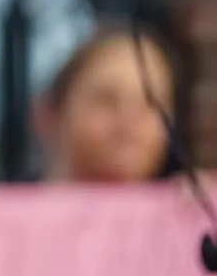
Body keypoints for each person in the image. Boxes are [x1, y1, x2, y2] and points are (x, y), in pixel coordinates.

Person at [36, 24, 176, 183]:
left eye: (152, 103)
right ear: (48, 114)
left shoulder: (192, 203)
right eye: (107, 101)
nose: (130, 121)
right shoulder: (6, 206)